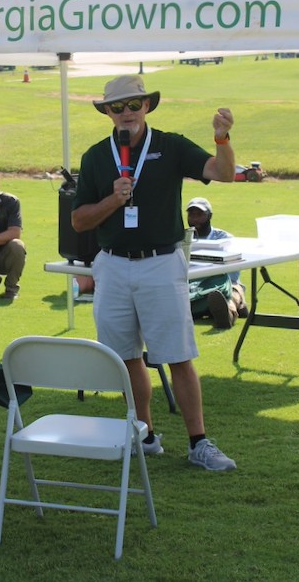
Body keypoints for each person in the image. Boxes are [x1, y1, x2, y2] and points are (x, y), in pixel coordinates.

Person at [72, 75, 237, 471]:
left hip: (161, 262)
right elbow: (79, 221)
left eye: (134, 104)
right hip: (112, 263)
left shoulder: (170, 145)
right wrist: (114, 198)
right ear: (107, 112)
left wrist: (222, 139)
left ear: (147, 105)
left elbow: (224, 173)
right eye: (118, 107)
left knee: (178, 356)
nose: (126, 112)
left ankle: (198, 442)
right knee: (126, 356)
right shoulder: (96, 156)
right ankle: (143, 434)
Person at [186, 197, 248, 329]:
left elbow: (233, 273)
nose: (195, 219)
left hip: (224, 281)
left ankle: (228, 314)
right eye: (192, 215)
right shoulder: (183, 239)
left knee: (232, 291)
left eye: (200, 215)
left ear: (210, 216)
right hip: (194, 285)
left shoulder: (225, 238)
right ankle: (233, 307)